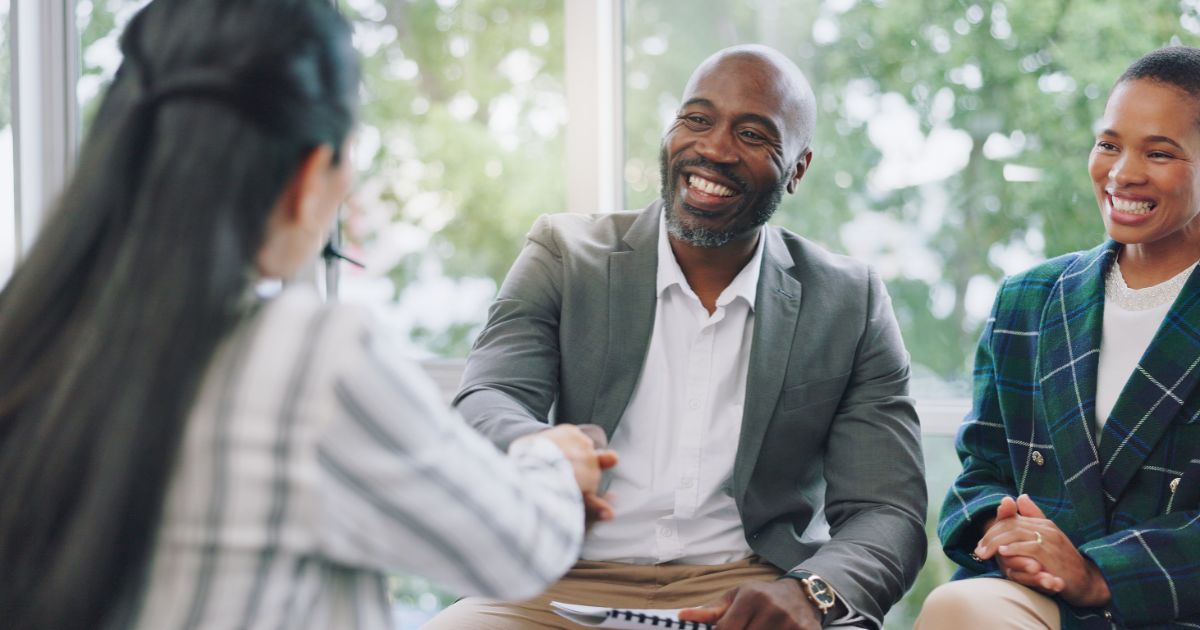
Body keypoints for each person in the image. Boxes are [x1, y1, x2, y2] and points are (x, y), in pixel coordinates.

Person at [0, 1, 614, 629]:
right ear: (308, 175)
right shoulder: (306, 356)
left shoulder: (28, 333)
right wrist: (554, 463)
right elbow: (512, 551)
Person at [426, 44, 926, 630]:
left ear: (797, 169)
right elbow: (488, 398)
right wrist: (537, 445)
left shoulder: (849, 299)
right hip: (559, 580)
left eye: (753, 134)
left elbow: (886, 508)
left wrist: (812, 592)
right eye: (697, 119)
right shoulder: (564, 255)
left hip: (748, 589)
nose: (714, 149)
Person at [917, 46, 1200, 630]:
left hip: (1165, 607)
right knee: (956, 608)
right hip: (1034, 599)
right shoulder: (1028, 298)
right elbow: (981, 468)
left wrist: (1099, 573)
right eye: (1108, 144)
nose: (1123, 172)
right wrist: (1003, 528)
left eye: (1160, 152)